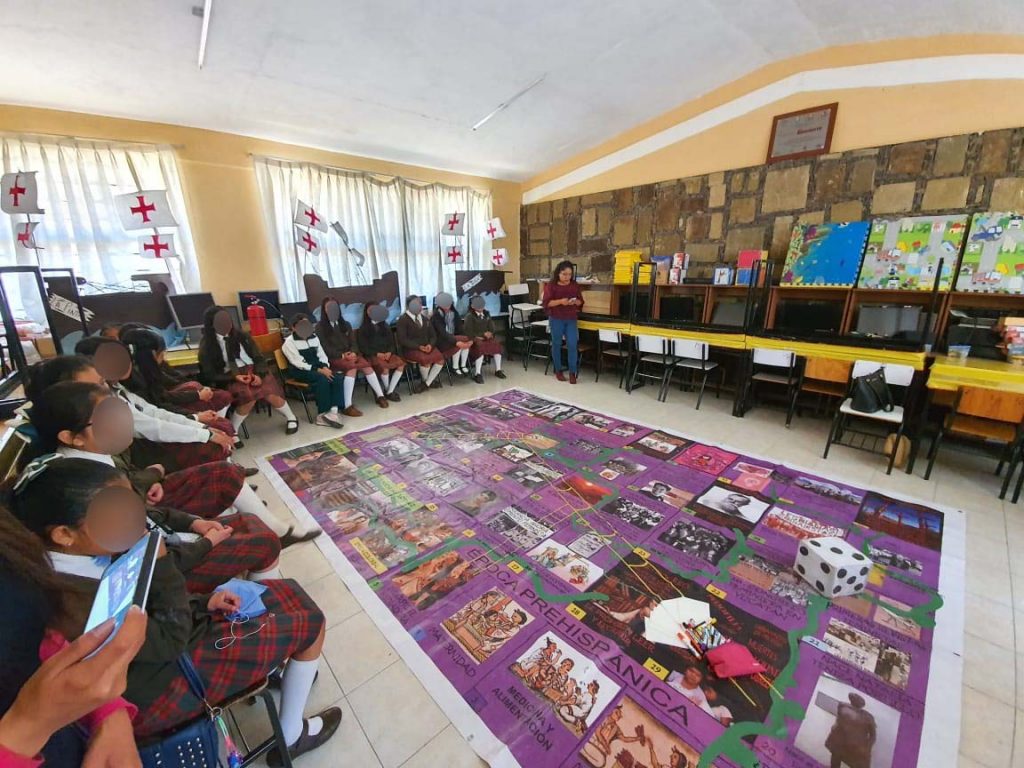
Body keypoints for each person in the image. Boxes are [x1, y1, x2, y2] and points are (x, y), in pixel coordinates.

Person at [9, 457, 342, 766]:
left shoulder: (78, 557)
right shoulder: (75, 603)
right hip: (156, 687)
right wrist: (162, 560)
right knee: (310, 620)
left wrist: (202, 601)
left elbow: (150, 605)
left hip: (161, 646)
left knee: (287, 595)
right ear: (64, 534)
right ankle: (291, 737)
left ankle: (274, 667)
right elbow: (169, 638)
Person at [31, 380, 302, 589]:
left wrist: (192, 522)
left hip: (162, 528)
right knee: (260, 539)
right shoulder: (78, 485)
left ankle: (271, 547)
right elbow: (147, 562)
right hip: (161, 568)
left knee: (242, 509)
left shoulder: (96, 455)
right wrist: (202, 543)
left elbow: (142, 511)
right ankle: (262, 610)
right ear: (71, 436)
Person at [26, 357, 320, 547]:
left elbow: (154, 413)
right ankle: (257, 520)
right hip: (149, 490)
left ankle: (253, 511)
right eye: (95, 384)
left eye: (102, 381)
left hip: (147, 485)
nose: (104, 388)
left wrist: (196, 423)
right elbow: (150, 428)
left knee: (222, 444)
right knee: (216, 449)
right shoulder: (75, 470)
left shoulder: (108, 405)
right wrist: (157, 470)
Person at [0, 505, 147, 767]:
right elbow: (171, 637)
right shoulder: (82, 595)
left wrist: (106, 711)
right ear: (64, 534)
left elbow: (27, 629)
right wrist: (29, 726)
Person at [76, 337, 239, 473]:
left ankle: (231, 470)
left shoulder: (119, 387)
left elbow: (153, 412)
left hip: (156, 438)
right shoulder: (102, 401)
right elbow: (151, 426)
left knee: (217, 430)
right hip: (144, 456)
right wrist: (202, 429)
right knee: (214, 446)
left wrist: (202, 427)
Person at [198, 305, 300, 435]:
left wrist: (259, 374)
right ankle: (233, 430)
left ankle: (291, 417)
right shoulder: (207, 345)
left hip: (254, 370)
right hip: (229, 375)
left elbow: (259, 358)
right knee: (249, 396)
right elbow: (210, 374)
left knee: (269, 391)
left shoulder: (242, 336)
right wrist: (234, 376)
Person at [120, 327, 236, 439]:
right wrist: (196, 417)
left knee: (220, 419)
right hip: (159, 431)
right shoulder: (134, 384)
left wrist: (196, 417)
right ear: (151, 354)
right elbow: (156, 419)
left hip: (167, 418)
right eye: (162, 353)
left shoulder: (143, 372)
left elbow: (158, 406)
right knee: (220, 426)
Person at [315, 297, 389, 409]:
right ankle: (348, 405)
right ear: (324, 310)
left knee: (367, 367)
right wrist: (342, 355)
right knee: (352, 368)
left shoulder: (346, 324)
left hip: (351, 355)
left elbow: (353, 342)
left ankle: (380, 396)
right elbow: (324, 347)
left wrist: (353, 352)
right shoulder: (320, 327)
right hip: (335, 358)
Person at [282, 313, 348, 428]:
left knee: (337, 377)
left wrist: (325, 367)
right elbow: (298, 362)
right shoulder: (289, 343)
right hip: (301, 371)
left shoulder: (314, 337)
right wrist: (319, 370)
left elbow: (322, 355)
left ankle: (333, 411)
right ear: (293, 327)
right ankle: (322, 414)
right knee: (322, 379)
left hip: (319, 367)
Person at [542, 260, 585, 384]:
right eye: (564, 274)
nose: (567, 277)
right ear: (558, 273)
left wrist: (576, 302)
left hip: (571, 318)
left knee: (572, 344)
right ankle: (558, 370)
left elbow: (581, 301)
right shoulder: (551, 285)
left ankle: (572, 372)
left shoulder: (574, 285)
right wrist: (561, 301)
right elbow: (547, 303)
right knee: (556, 344)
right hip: (556, 318)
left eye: (569, 274)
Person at [356, 304, 405, 402]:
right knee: (384, 369)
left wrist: (389, 352)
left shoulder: (385, 325)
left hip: (387, 353)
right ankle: (388, 390)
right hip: (373, 355)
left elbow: (391, 342)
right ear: (367, 313)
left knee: (401, 365)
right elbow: (363, 347)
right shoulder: (363, 328)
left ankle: (389, 391)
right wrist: (377, 354)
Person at [396, 296, 445, 392]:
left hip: (427, 347)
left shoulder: (424, 318)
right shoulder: (403, 319)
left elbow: (433, 335)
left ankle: (426, 383)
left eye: (420, 303)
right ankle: (427, 382)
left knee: (440, 359)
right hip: (411, 349)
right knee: (425, 360)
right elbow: (402, 339)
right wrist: (419, 347)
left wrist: (430, 345)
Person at [462, 295, 507, 384]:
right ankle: (477, 373)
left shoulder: (487, 314)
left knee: (496, 345)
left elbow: (492, 326)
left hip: (487, 338)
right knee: (480, 347)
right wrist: (481, 335)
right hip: (475, 339)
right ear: (472, 306)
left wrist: (490, 333)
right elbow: (468, 331)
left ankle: (498, 370)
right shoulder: (469, 316)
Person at [825, 692, 876, 768]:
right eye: (854, 701)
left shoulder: (868, 717)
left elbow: (873, 735)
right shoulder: (843, 707)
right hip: (839, 741)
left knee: (856, 763)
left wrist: (867, 747)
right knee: (835, 757)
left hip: (855, 746)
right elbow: (839, 720)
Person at [430, 292, 473, 376]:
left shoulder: (454, 312)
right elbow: (442, 333)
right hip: (442, 341)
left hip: (454, 338)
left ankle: (463, 365)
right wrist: (456, 341)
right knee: (460, 342)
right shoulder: (436, 315)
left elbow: (460, 328)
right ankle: (455, 367)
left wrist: (468, 339)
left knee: (465, 340)